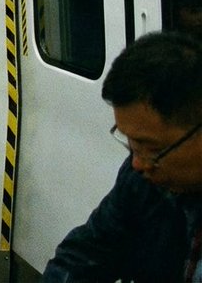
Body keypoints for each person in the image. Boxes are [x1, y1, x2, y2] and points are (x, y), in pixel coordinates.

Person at [42, 31, 202, 282]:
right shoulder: (142, 180)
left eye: (150, 148)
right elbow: (83, 255)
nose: (137, 163)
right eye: (130, 144)